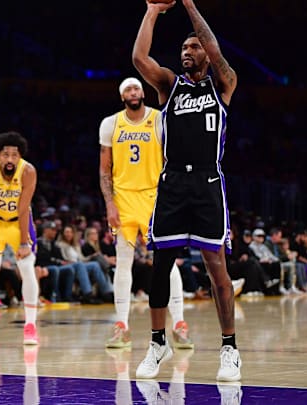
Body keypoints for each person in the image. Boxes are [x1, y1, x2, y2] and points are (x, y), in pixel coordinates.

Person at [132, 0, 240, 381]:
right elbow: (139, 57)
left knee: (217, 269)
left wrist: (190, 4)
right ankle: (157, 343)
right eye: (183, 48)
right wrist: (151, 10)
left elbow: (214, 48)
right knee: (160, 266)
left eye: (194, 47)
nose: (187, 52)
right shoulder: (168, 85)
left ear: (206, 55)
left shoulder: (223, 83)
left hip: (208, 183)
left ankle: (229, 348)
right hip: (173, 182)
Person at [99, 77, 194, 350]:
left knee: (167, 260)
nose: (133, 92)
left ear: (143, 93)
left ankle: (179, 323)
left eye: (137, 88)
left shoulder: (160, 119)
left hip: (155, 196)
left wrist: (175, 197)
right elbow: (105, 169)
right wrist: (109, 203)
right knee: (124, 260)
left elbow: (171, 159)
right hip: (124, 199)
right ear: (122, 96)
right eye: (128, 89)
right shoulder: (110, 124)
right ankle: (122, 327)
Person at [0, 131, 39, 345]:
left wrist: (23, 242)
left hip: (19, 223)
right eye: (6, 155)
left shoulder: (28, 171)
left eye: (15, 155)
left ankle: (30, 326)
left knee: (28, 269)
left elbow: (24, 209)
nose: (10, 159)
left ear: (20, 157)